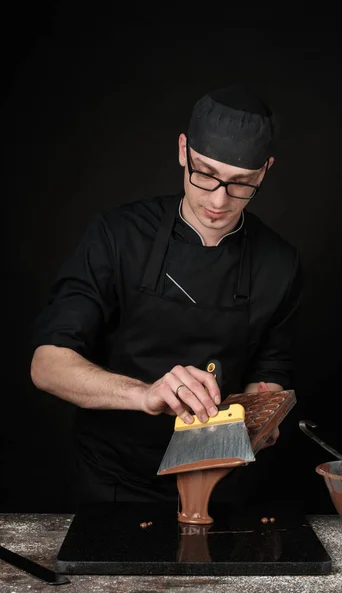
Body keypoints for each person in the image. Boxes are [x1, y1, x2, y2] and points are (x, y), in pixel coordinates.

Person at [30, 84, 303, 507]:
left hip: (221, 487)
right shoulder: (117, 236)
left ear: (265, 170)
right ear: (182, 149)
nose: (218, 200)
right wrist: (145, 395)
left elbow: (269, 367)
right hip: (113, 483)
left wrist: (261, 414)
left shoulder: (280, 263)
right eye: (205, 173)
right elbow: (47, 365)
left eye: (240, 184)